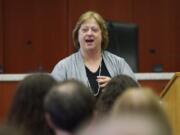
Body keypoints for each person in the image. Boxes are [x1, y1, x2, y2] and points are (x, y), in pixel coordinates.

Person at [51, 11, 136, 96]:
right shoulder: (63, 67)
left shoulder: (119, 63)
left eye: (94, 30)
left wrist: (116, 86)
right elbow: (52, 98)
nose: (89, 33)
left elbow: (136, 92)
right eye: (84, 30)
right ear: (77, 36)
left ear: (102, 36)